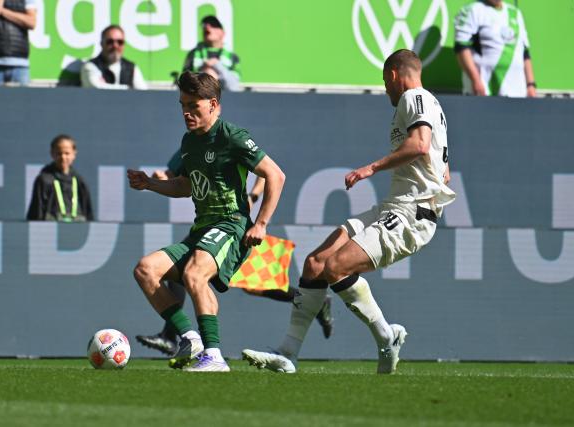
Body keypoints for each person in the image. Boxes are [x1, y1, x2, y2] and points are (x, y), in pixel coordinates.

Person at [242, 49, 456, 375]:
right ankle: (288, 352)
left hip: (412, 212)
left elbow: (420, 145)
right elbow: (443, 167)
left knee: (336, 266)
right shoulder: (429, 105)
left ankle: (386, 337)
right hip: (395, 205)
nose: (386, 89)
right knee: (315, 264)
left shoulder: (413, 96)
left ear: (395, 75)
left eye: (385, 82)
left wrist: (370, 168)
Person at [127, 71, 285, 372]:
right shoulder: (189, 141)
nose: (186, 112)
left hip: (230, 225)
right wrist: (149, 184)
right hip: (201, 231)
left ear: (213, 104)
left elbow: (275, 175)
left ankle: (214, 355)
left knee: (194, 274)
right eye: (182, 104)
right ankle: (190, 339)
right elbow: (185, 186)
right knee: (145, 270)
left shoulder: (232, 136)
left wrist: (261, 223)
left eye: (193, 105)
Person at [136, 150, 333, 356]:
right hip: (209, 226)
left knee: (254, 283)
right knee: (183, 271)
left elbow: (268, 173)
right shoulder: (190, 145)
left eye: (195, 114)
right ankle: (172, 335)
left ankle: (316, 301)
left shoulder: (227, 139)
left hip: (240, 226)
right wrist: (159, 179)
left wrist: (253, 198)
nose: (190, 117)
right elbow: (178, 179)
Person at [454, 0, 536, 97]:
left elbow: (525, 52)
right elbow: (462, 48)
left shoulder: (515, 13)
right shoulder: (471, 10)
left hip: (517, 93)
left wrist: (530, 84)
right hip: (485, 91)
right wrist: (475, 80)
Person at [27, 134, 94, 222]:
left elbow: (88, 214)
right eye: (59, 153)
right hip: (50, 232)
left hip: (76, 232)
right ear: (52, 154)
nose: (63, 157)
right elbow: (36, 213)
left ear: (74, 154)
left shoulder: (80, 182)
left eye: (67, 153)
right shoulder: (44, 180)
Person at [182, 16, 240, 91]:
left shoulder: (232, 57)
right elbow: (184, 83)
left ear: (222, 33)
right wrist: (204, 72)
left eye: (213, 25)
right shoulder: (193, 54)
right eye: (205, 25)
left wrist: (217, 65)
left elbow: (234, 86)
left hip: (224, 100)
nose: (208, 27)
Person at [81, 25, 147, 90]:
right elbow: (97, 88)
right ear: (101, 43)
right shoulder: (90, 66)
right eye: (110, 42)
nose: (115, 46)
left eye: (120, 42)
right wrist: (128, 88)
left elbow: (142, 93)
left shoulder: (131, 68)